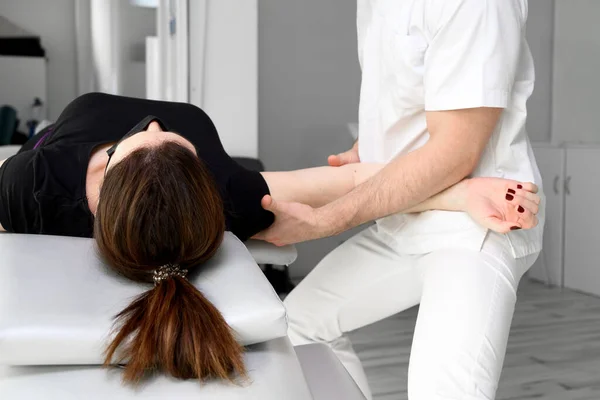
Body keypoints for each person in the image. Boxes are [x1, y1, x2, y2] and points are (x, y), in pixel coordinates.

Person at [0, 92, 538, 385]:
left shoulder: (31, 183)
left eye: (151, 138)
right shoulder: (229, 194)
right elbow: (348, 181)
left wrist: (461, 194)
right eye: (163, 142)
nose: (157, 123)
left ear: (115, 160)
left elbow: (352, 183)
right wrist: (462, 193)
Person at [253, 1, 544, 399]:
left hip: (475, 228)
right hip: (405, 217)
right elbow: (412, 97)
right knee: (299, 324)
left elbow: (454, 154)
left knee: (441, 390)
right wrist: (373, 146)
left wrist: (325, 220)